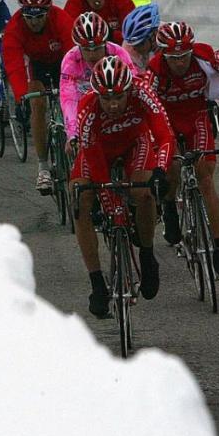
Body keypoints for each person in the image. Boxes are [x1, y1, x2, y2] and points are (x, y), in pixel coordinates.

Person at [144, 21, 219, 277]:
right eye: (173, 57)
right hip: (167, 120)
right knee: (170, 167)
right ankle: (169, 207)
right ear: (162, 54)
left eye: (184, 56)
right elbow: (145, 105)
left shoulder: (206, 57)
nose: (180, 62)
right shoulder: (154, 71)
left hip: (197, 117)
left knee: (206, 179)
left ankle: (218, 250)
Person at [71, 56, 174, 318]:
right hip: (98, 151)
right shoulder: (88, 109)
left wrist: (160, 170)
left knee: (144, 192)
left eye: (119, 97)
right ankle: (97, 283)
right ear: (97, 95)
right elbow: (94, 163)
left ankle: (148, 256)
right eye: (106, 99)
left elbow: (164, 135)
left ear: (129, 90)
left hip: (133, 144)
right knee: (80, 199)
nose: (113, 104)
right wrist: (112, 205)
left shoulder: (142, 93)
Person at [2, 0, 75, 194]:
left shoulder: (61, 19)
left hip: (64, 62)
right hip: (38, 67)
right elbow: (14, 64)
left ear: (49, 12)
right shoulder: (15, 27)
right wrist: (20, 97)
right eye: (29, 17)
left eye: (39, 16)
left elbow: (73, 52)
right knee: (37, 102)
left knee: (71, 100)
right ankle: (43, 167)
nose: (34, 22)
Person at [59, 12, 136, 149]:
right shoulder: (70, 59)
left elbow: (134, 87)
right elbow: (69, 98)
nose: (92, 54)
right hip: (82, 101)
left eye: (97, 48)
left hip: (110, 99)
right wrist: (72, 134)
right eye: (86, 49)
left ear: (105, 43)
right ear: (78, 46)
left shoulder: (119, 53)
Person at [120, 2, 160, 74]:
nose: (135, 48)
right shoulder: (127, 48)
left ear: (154, 34)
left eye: (140, 44)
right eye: (133, 44)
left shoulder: (167, 39)